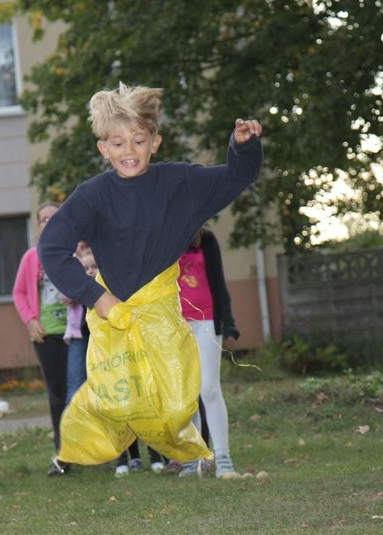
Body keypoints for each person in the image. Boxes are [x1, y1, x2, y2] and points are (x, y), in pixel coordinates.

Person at [37, 83, 262, 468]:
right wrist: (98, 298)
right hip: (115, 314)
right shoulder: (92, 195)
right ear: (103, 149)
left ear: (155, 142)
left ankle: (197, 454)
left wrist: (243, 146)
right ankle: (123, 452)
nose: (129, 152)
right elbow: (51, 248)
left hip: (163, 309)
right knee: (116, 401)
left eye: (138, 141)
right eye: (118, 143)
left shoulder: (179, 183)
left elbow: (234, 179)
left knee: (182, 399)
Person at [176, 227, 242, 479]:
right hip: (174, 324)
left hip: (206, 320)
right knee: (186, 393)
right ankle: (193, 459)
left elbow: (218, 280)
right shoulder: (162, 238)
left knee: (209, 388)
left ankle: (223, 458)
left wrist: (229, 321)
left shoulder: (206, 238)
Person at [13, 202, 71, 476]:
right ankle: (63, 453)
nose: (49, 222)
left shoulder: (72, 251)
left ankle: (94, 448)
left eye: (54, 217)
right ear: (38, 225)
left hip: (77, 333)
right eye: (43, 219)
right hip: (46, 334)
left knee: (82, 391)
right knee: (57, 393)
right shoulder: (31, 257)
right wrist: (30, 320)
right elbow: (19, 293)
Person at [63, 245, 92, 406]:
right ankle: (71, 426)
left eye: (94, 267)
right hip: (79, 336)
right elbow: (65, 296)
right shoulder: (76, 282)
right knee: (76, 382)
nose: (89, 271)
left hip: (102, 337)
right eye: (85, 269)